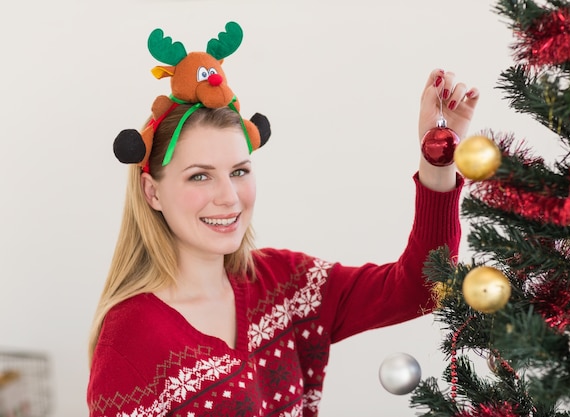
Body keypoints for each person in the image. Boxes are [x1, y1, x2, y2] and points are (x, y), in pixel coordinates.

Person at [86, 44, 479, 416]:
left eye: (239, 171)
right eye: (200, 176)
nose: (229, 197)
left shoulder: (284, 284)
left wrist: (439, 158)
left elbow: (424, 289)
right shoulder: (129, 340)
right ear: (152, 191)